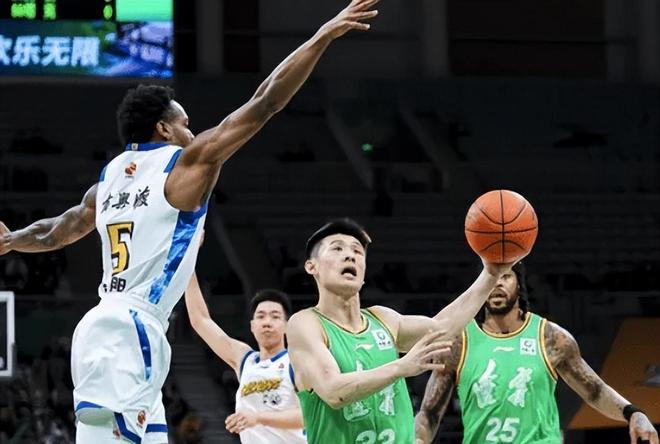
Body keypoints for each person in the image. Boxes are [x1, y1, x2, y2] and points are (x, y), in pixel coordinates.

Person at [0, 1, 379, 441]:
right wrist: (322, 37)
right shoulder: (182, 165)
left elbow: (54, 230)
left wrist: (11, 240)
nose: (192, 131)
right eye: (185, 123)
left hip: (112, 326)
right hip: (131, 328)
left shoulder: (106, 182)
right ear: (163, 129)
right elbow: (265, 102)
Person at [286, 218, 514, 444]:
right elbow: (334, 391)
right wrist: (401, 367)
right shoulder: (305, 323)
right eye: (337, 248)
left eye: (357, 251)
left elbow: (442, 328)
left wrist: (490, 275)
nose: (350, 256)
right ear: (311, 266)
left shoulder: (383, 319)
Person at [414, 262, 659, 444]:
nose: (497, 284)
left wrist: (632, 412)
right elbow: (429, 414)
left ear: (519, 284)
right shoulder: (459, 342)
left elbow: (595, 391)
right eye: (491, 279)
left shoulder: (550, 337)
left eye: (505, 277)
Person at [185, 273, 304, 443]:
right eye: (261, 316)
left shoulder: (297, 361)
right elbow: (200, 320)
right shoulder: (245, 360)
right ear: (252, 326)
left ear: (287, 325)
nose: (267, 322)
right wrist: (188, 267)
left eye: (275, 316)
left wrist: (259, 418)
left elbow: (310, 416)